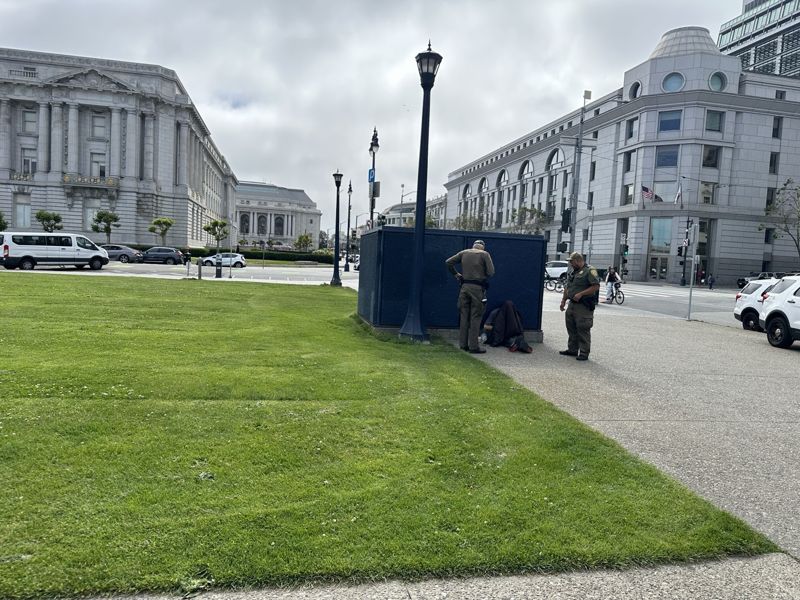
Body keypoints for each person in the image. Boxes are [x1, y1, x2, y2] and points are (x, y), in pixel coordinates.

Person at [446, 239, 495, 354]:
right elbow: (491, 272)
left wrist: (456, 274)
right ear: (482, 247)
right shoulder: (484, 254)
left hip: (464, 288)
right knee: (476, 317)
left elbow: (448, 262)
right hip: (477, 289)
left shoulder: (463, 252)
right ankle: (473, 346)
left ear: (473, 246)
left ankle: (463, 345)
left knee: (464, 316)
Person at [559, 251, 600, 361]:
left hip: (583, 306)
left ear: (578, 260)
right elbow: (568, 287)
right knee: (571, 327)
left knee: (583, 329)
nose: (571, 264)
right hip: (572, 304)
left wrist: (582, 293)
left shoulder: (589, 271)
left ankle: (584, 352)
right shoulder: (573, 272)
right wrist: (563, 301)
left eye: (572, 262)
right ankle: (572, 349)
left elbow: (595, 286)